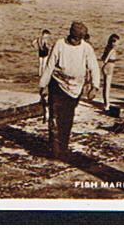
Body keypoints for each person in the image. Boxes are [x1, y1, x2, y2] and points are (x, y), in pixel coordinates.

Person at [39, 22, 100, 159]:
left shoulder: (86, 48)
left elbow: (94, 68)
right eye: (73, 39)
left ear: (81, 39)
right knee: (54, 117)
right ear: (70, 35)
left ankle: (63, 148)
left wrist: (95, 87)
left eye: (77, 40)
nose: (75, 41)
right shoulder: (60, 44)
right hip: (57, 84)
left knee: (67, 119)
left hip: (75, 88)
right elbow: (49, 66)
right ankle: (54, 149)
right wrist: (43, 86)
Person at [101, 34, 120, 111]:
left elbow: (102, 58)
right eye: (117, 42)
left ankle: (106, 103)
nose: (118, 44)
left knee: (106, 86)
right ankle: (106, 104)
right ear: (113, 42)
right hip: (109, 67)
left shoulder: (108, 49)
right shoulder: (112, 50)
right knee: (107, 86)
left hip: (108, 66)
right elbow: (105, 59)